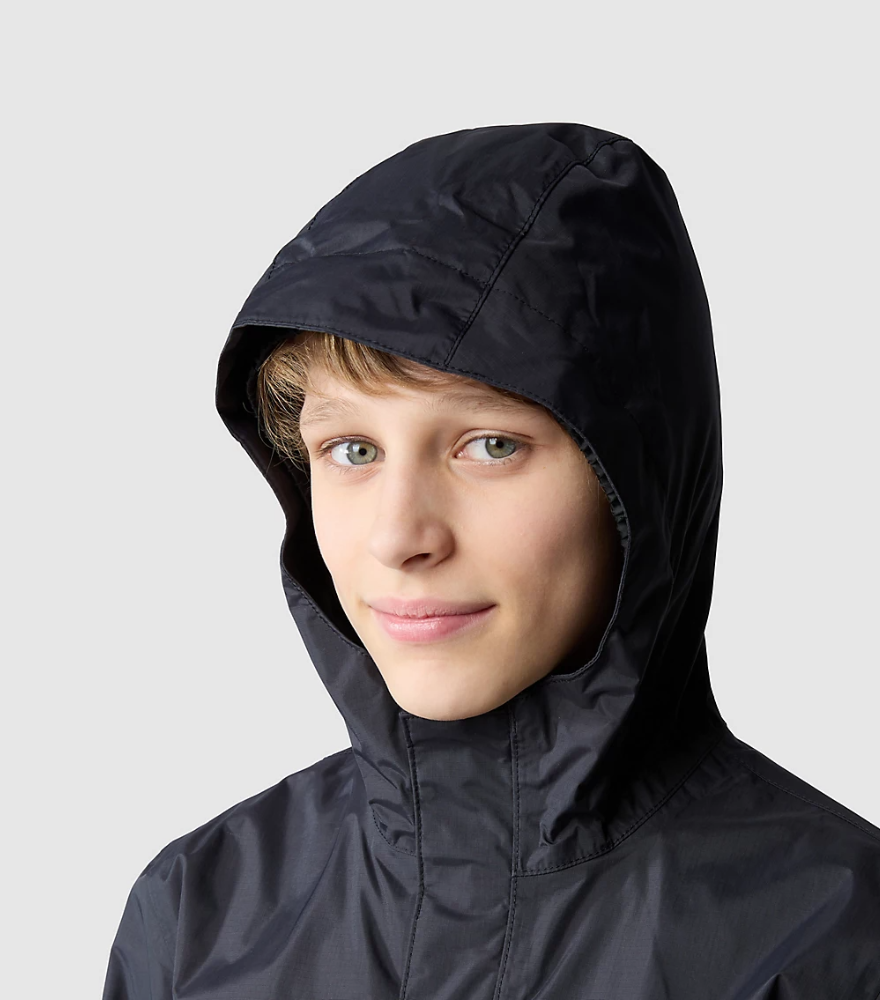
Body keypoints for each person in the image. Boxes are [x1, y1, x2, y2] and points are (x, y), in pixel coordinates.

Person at [102, 123, 880, 999]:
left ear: (637, 474)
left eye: (490, 445)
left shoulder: (837, 946)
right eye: (353, 450)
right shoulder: (199, 917)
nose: (399, 537)